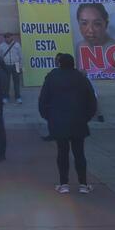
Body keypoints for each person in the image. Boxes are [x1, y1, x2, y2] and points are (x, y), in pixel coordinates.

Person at [38, 52, 98, 194]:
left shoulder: (52, 77)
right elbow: (92, 100)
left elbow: (43, 100)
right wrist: (86, 117)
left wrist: (48, 117)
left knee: (62, 153)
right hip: (78, 121)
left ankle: (64, 184)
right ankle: (83, 184)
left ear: (60, 63)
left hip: (58, 121)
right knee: (79, 154)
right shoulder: (81, 78)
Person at [0, 32, 23, 104]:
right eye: (6, 37)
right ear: (4, 38)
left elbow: (21, 56)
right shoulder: (1, 46)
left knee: (17, 82)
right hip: (6, 65)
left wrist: (20, 66)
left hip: (16, 65)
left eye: (9, 37)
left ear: (12, 37)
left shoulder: (17, 45)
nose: (7, 38)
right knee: (6, 82)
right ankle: (5, 97)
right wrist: (0, 67)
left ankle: (18, 97)